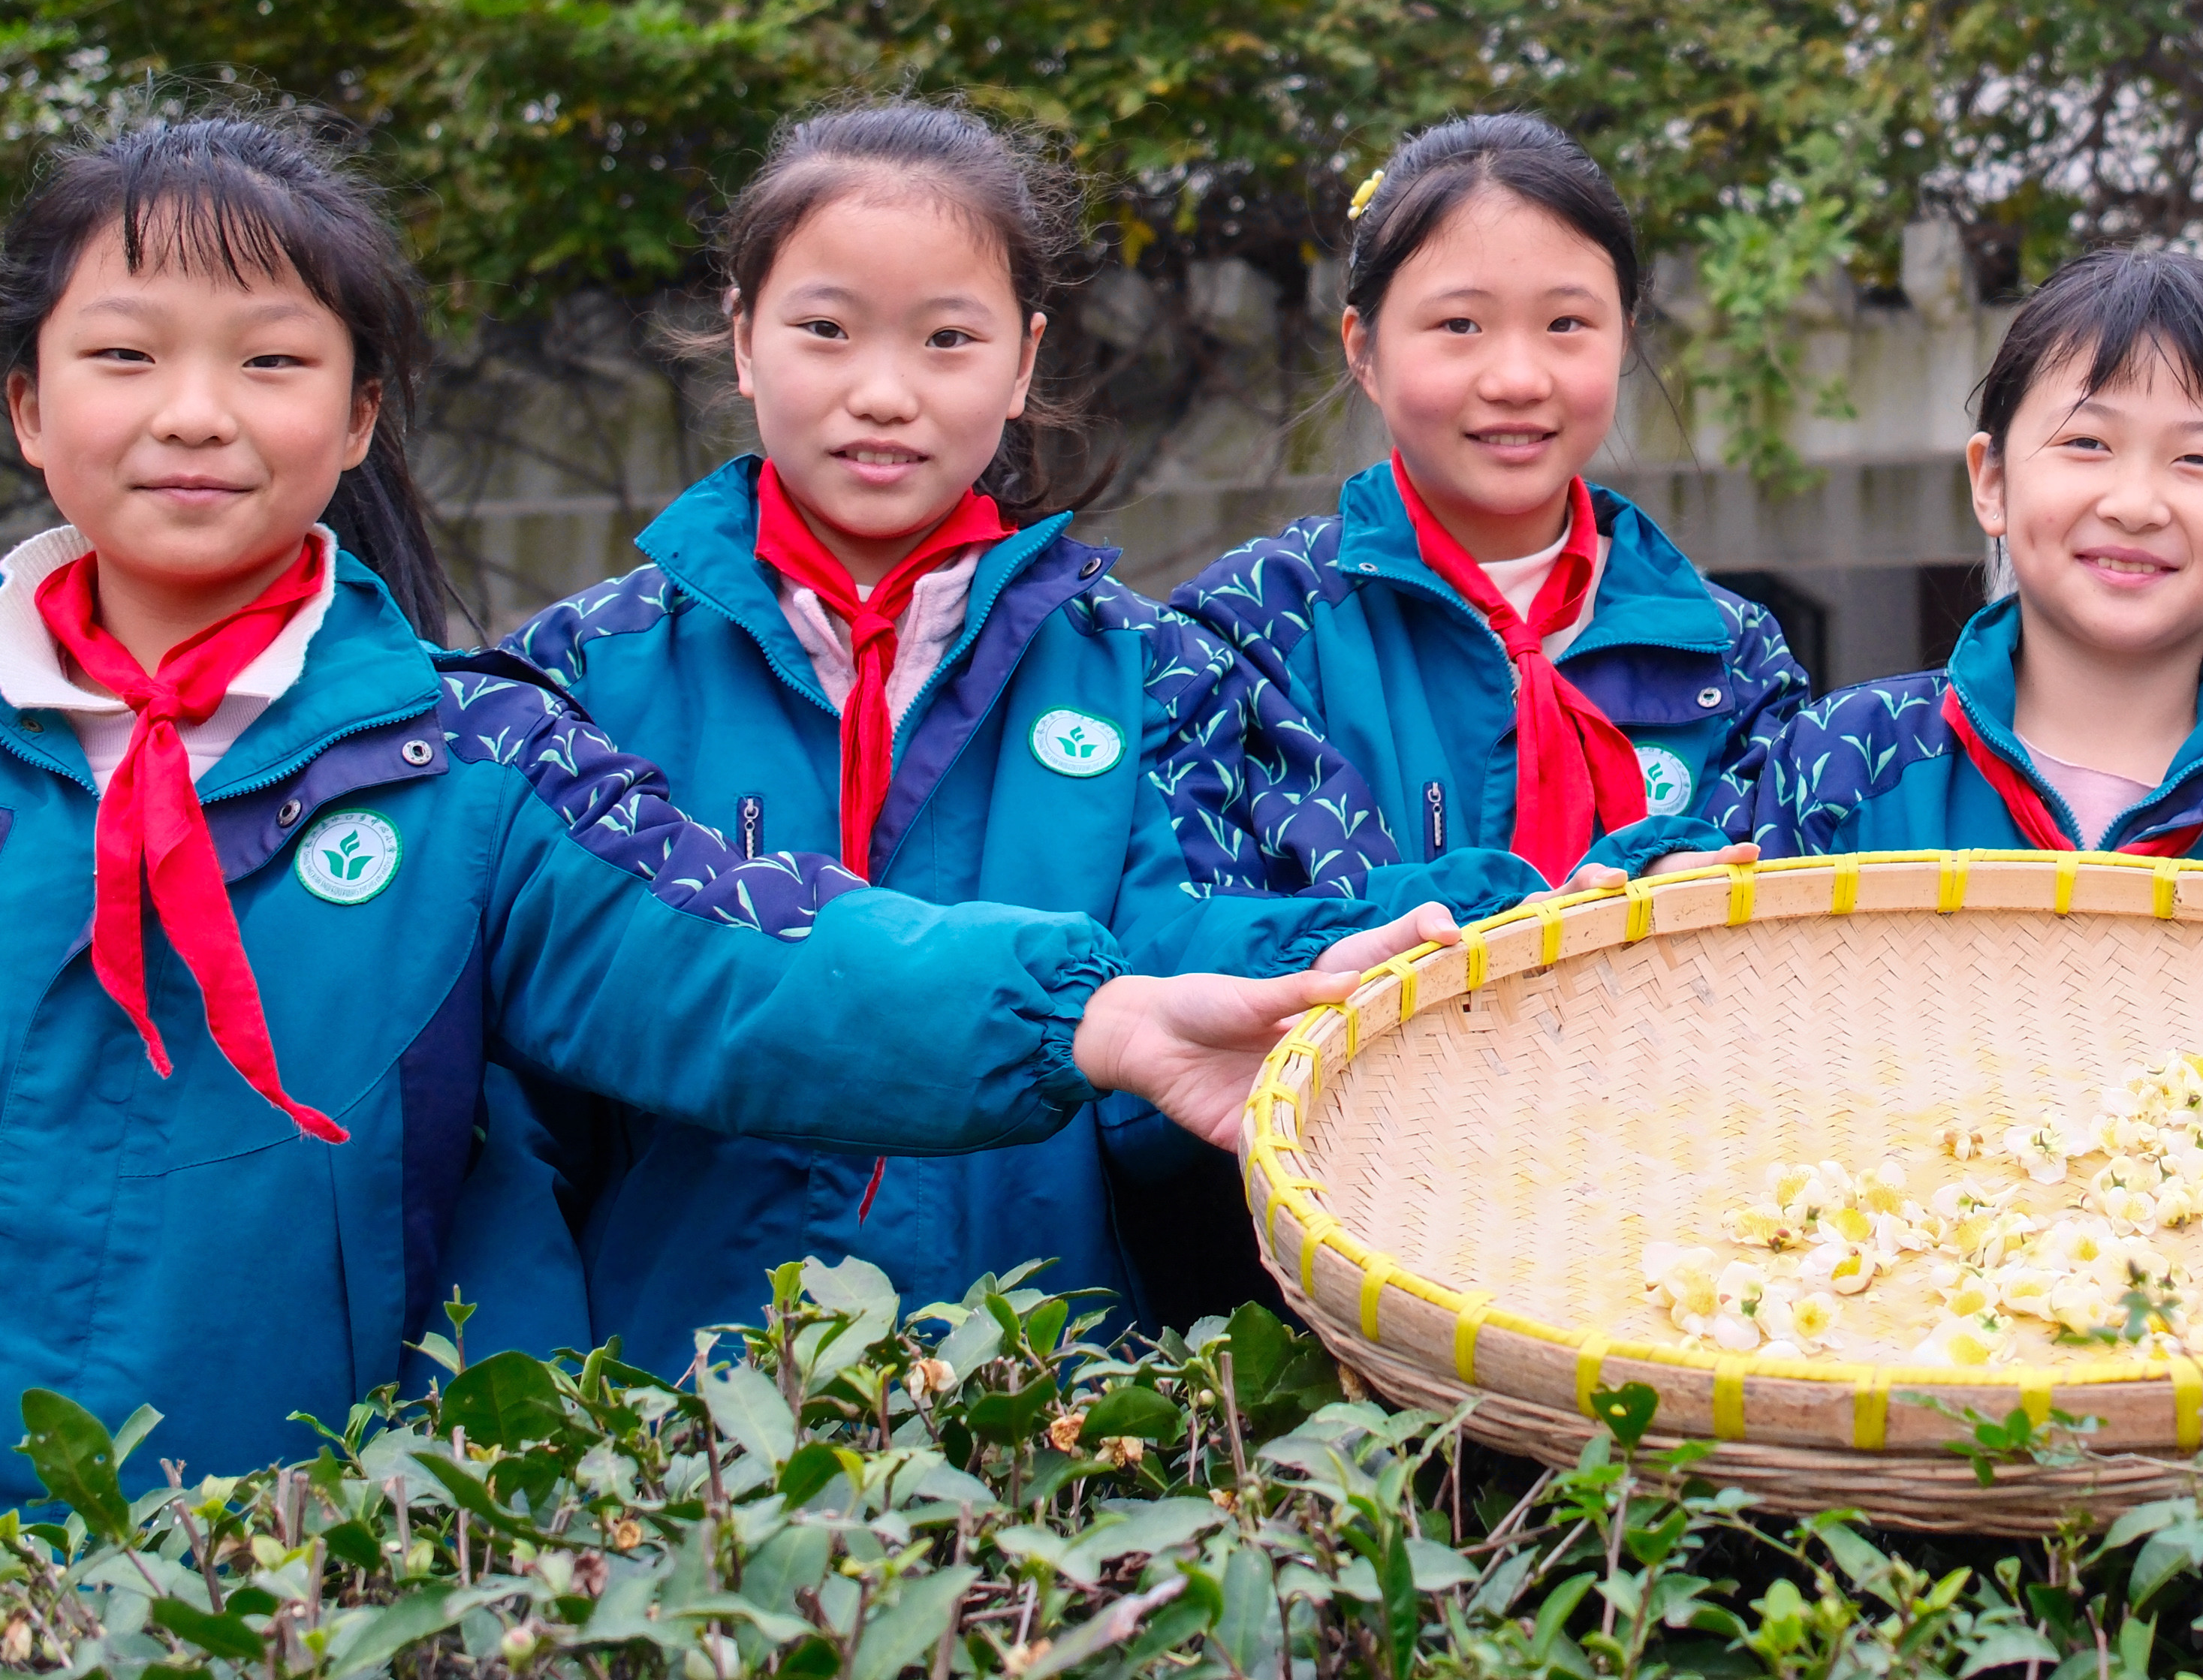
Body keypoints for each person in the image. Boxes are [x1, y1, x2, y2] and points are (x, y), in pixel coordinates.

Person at [0, 110, 1444, 1502]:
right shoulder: (589, 664)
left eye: (269, 360)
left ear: (360, 411)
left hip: (322, 1567)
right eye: (124, 355)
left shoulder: (484, 758)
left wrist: (1101, 1016)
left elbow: (736, 951)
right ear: (26, 401)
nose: (193, 413)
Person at [493, 101, 1542, 1372]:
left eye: (948, 339)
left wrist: (1421, 939)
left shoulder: (1151, 670)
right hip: (678, 1420)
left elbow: (1191, 936)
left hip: (1054, 1403)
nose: (882, 392)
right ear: (743, 338)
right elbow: (523, 1100)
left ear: (1025, 358)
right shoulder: (580, 676)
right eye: (825, 330)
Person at [1598, 246, 2203, 882]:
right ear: (1993, 481)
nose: (2134, 502)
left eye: (2196, 460)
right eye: (2087, 442)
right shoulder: (1839, 767)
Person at [1171, 115, 1805, 890]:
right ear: (1363, 350)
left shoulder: (1731, 653)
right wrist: (1534, 928)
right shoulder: (1253, 628)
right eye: (1460, 324)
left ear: (1625, 340)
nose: (1517, 378)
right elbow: (1212, 927)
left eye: (1566, 323)